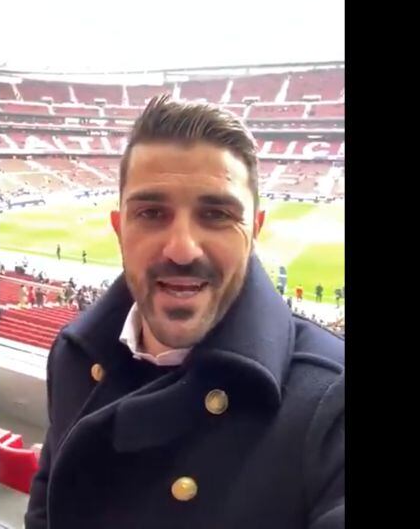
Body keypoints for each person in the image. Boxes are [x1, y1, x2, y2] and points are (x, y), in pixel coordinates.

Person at [25, 95, 343, 528]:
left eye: (216, 214)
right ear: (120, 229)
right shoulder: (74, 356)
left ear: (255, 230)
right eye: (151, 213)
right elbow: (47, 510)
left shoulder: (331, 402)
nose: (181, 248)